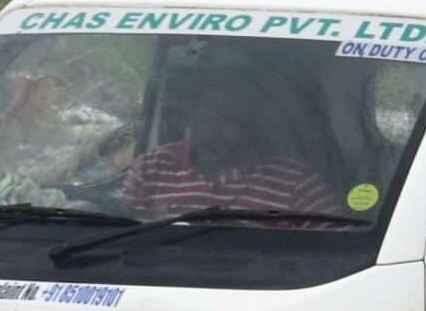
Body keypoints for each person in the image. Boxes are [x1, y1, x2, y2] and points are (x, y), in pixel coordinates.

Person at [120, 90, 341, 217]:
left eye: (234, 119)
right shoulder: (151, 168)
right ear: (193, 119)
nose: (226, 132)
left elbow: (335, 243)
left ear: (251, 126)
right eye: (214, 116)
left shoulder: (293, 181)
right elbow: (122, 230)